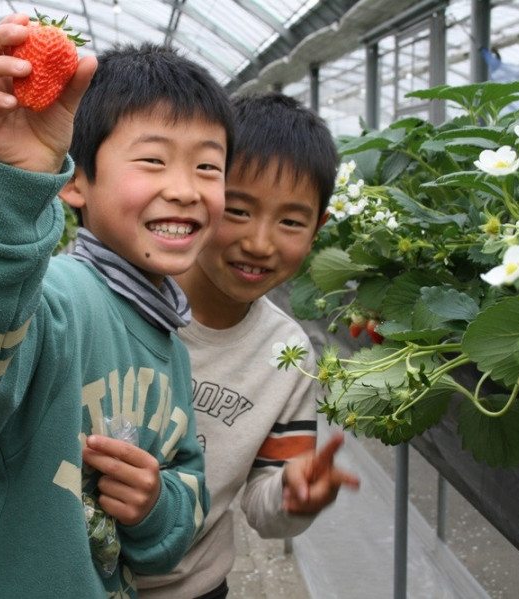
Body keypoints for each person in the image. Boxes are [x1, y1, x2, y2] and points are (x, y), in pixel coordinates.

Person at [0, 13, 234, 597]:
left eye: (208, 166)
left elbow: (186, 481)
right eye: (153, 160)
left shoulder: (170, 340)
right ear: (75, 182)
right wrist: (14, 190)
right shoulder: (54, 297)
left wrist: (155, 503)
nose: (185, 188)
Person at [136, 91, 361, 598]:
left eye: (290, 222)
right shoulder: (122, 300)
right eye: (237, 210)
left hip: (190, 586)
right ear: (203, 194)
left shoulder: (286, 354)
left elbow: (266, 505)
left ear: (317, 230)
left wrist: (293, 495)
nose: (260, 242)